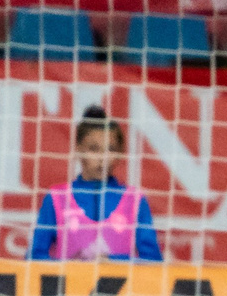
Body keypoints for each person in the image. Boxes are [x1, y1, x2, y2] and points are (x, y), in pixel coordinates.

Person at [30, 107, 161, 262]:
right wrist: (69, 266)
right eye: (94, 149)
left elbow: (154, 262)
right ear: (79, 150)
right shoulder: (57, 198)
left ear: (120, 154)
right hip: (68, 285)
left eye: (110, 149)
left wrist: (114, 262)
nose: (102, 158)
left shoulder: (135, 200)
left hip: (121, 286)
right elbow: (34, 258)